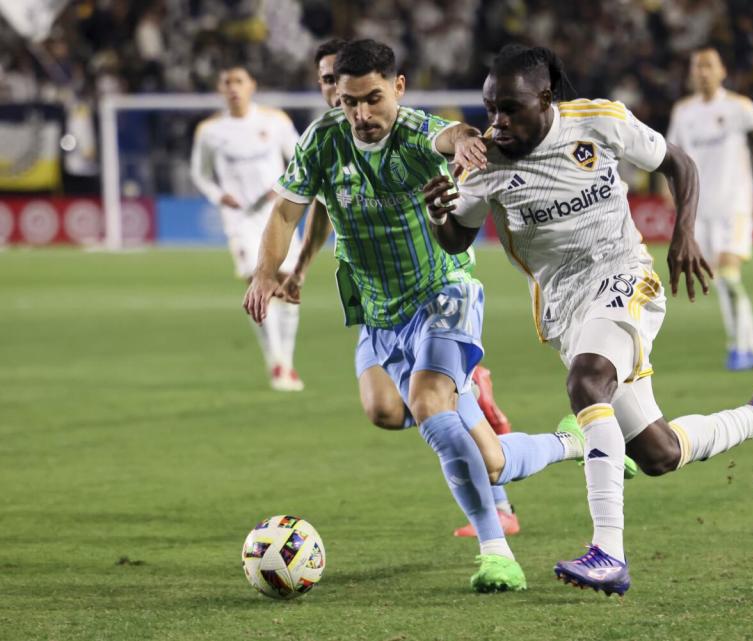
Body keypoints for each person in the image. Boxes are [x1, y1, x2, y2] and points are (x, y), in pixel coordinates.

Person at [423, 44, 753, 597]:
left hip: (627, 276)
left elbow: (679, 163)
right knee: (657, 452)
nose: (498, 123)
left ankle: (609, 552)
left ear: (546, 98)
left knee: (587, 381)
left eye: (510, 108)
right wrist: (440, 212)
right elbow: (458, 235)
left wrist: (683, 233)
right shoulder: (484, 163)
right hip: (565, 307)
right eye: (490, 110)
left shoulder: (599, 121)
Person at [243, 39, 588, 593]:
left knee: (428, 405)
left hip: (442, 293)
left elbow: (447, 135)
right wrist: (268, 269)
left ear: (398, 89)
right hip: (379, 311)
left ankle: (495, 552)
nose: (360, 114)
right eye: (349, 101)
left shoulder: (413, 133)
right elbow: (287, 209)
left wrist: (469, 142)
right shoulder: (325, 140)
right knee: (451, 441)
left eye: (373, 99)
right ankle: (570, 441)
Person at [190, 64, 305, 391]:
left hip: (279, 214)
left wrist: (283, 184)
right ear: (220, 89)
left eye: (238, 81)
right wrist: (218, 195)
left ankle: (285, 359)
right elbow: (200, 173)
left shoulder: (275, 120)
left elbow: (299, 158)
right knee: (257, 284)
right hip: (240, 220)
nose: (233, 88)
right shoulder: (210, 131)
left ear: (252, 85)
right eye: (227, 82)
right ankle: (278, 364)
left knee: (287, 284)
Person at [666, 47, 753, 371]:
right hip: (700, 210)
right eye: (697, 66)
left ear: (722, 71)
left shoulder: (740, 107)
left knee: (728, 276)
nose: (702, 72)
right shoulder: (683, 111)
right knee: (720, 280)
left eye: (708, 66)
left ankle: (738, 347)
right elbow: (672, 157)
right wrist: (669, 192)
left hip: (735, 205)